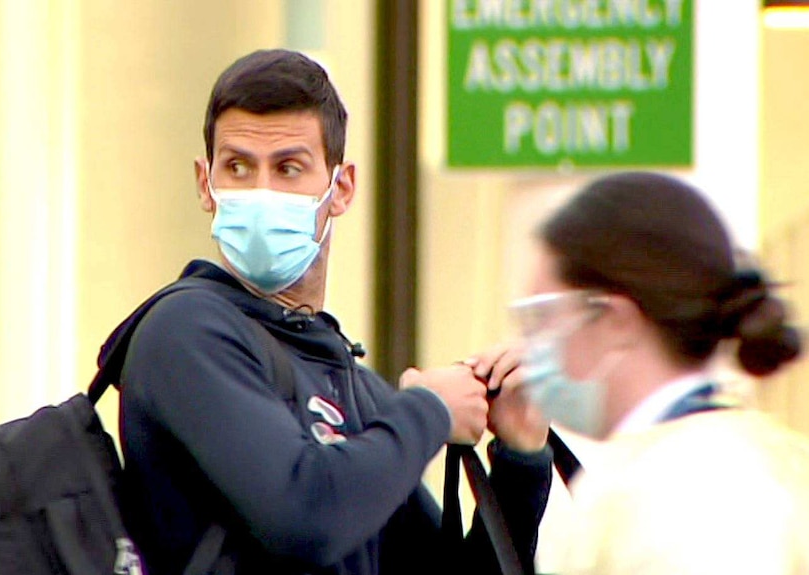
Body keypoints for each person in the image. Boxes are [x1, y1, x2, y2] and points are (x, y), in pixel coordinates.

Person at [106, 48, 552, 575]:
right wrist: (429, 411)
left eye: (289, 168)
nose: (261, 192)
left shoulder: (349, 381)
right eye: (238, 167)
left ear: (341, 188)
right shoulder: (186, 332)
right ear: (207, 185)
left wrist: (522, 456)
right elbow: (304, 517)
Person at [470, 171, 809, 574]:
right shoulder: (749, 456)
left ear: (617, 321)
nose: (527, 347)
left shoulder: (689, 494)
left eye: (543, 318)